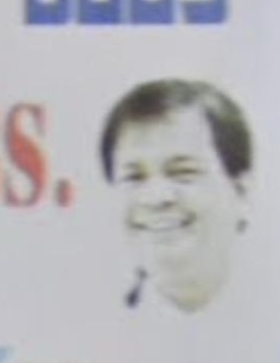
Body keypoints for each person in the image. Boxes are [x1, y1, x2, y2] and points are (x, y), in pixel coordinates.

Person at [97, 78, 253, 314]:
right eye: (134, 177)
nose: (156, 198)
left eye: (183, 172)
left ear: (241, 191)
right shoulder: (94, 323)